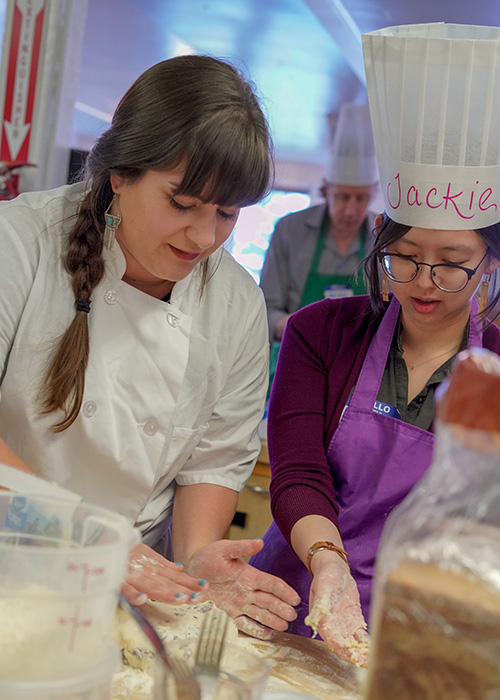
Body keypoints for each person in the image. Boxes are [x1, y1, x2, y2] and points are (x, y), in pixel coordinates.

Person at [0, 54, 300, 640]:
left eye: (228, 214)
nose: (203, 237)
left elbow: (212, 460)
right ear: (119, 172)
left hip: (131, 597)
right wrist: (87, 537)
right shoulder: (20, 244)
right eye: (182, 204)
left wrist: (195, 561)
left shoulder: (236, 305)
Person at [250, 22, 500, 666]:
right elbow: (299, 471)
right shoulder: (319, 333)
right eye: (406, 258)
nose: (424, 283)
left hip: (425, 625)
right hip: (295, 599)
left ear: (489, 268)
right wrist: (329, 569)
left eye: (451, 264)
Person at [260, 103, 380, 343]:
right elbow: (265, 310)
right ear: (326, 190)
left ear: (373, 193)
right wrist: (301, 329)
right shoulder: (290, 231)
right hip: (296, 352)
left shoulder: (382, 238)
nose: (351, 209)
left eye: (361, 198)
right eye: (342, 196)